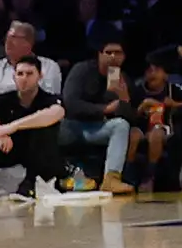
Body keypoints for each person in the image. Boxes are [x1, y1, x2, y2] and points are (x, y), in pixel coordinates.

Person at [0, 54, 62, 199]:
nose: (24, 78)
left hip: (38, 155)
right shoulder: (3, 99)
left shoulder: (49, 99)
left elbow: (56, 113)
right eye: (20, 74)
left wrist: (12, 127)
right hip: (9, 149)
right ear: (14, 76)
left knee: (44, 130)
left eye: (29, 74)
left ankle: (29, 184)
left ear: (40, 76)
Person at [54, 38, 138, 196]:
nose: (113, 57)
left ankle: (111, 179)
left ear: (124, 57)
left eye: (118, 53)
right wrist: (104, 109)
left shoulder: (123, 79)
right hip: (72, 125)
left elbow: (132, 119)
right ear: (99, 55)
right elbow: (71, 103)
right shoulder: (82, 70)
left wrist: (125, 99)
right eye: (108, 52)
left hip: (96, 129)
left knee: (121, 125)